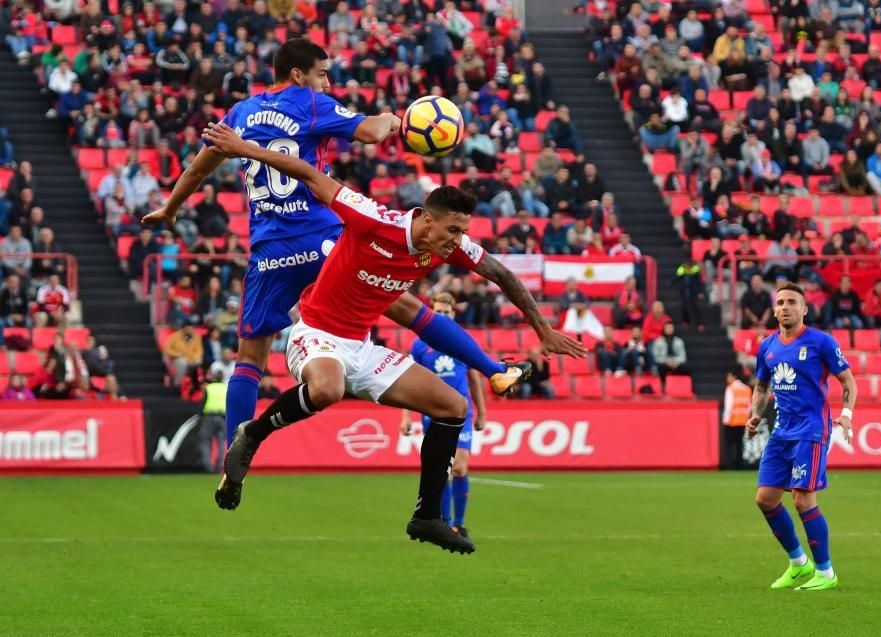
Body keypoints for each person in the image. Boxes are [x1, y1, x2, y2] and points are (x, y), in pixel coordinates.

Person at [204, 121, 586, 554]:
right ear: (425, 219)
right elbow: (308, 173)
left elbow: (499, 272)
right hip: (317, 334)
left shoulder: (451, 246)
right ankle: (253, 434)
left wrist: (542, 328)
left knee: (453, 406)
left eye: (463, 232)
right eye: (452, 231)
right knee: (327, 388)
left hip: (363, 348)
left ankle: (427, 516)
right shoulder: (371, 217)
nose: (458, 242)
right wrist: (242, 147)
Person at [142, 39, 525, 444]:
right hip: (323, 240)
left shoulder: (241, 112)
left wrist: (170, 208)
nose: (326, 83)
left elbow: (198, 171)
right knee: (406, 306)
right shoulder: (309, 103)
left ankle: (236, 452)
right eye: (322, 74)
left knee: (249, 358)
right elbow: (370, 132)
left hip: (269, 251)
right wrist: (395, 119)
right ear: (298, 75)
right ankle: (493, 368)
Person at [747, 282, 857, 591]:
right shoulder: (767, 346)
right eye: (780, 302)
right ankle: (799, 564)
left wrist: (846, 416)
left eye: (792, 302)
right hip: (782, 431)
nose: (784, 307)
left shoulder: (821, 342)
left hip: (811, 430)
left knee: (802, 498)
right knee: (765, 499)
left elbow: (848, 381)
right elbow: (761, 386)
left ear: (804, 309)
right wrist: (755, 413)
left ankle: (825, 572)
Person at [399, 292, 487, 540]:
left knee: (460, 467)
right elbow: (409, 383)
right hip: (434, 411)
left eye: (447, 312)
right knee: (443, 469)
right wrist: (405, 417)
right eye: (438, 312)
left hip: (464, 411)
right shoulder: (420, 345)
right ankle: (444, 523)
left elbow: (473, 378)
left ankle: (459, 523)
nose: (443, 316)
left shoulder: (463, 341)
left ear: (453, 313)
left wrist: (482, 411)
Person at [721, 368, 752, 470]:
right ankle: (739, 464)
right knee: (739, 444)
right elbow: (749, 406)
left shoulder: (730, 388)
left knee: (730, 444)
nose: (727, 378)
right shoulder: (747, 389)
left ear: (734, 377)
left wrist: (726, 420)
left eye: (729, 376)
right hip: (743, 420)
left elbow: (729, 406)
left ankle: (730, 465)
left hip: (732, 420)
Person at [199, 368, 228, 473]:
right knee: (221, 442)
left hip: (209, 416)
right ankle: (219, 466)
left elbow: (203, 401)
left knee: (205, 440)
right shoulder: (226, 387)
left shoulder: (209, 387)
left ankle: (208, 466)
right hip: (222, 417)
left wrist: (200, 414)